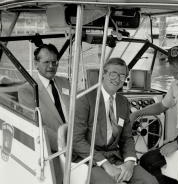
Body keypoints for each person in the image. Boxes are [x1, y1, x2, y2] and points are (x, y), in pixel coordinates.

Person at [73, 57, 158, 184]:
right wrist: (106, 165)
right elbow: (76, 140)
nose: (118, 79)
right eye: (113, 74)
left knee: (150, 181)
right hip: (90, 160)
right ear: (103, 74)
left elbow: (127, 138)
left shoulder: (123, 102)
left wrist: (129, 163)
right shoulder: (85, 98)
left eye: (122, 75)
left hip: (115, 157)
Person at [130, 45, 178, 184]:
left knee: (150, 163)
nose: (174, 67)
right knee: (146, 160)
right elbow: (161, 106)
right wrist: (137, 113)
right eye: (172, 63)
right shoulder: (176, 84)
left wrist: (176, 144)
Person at [18, 43, 70, 182]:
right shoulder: (27, 90)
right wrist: (66, 145)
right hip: (53, 150)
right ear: (36, 64)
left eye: (54, 62)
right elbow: (38, 127)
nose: (51, 66)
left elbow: (77, 111)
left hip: (75, 142)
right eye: (46, 62)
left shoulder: (65, 82)